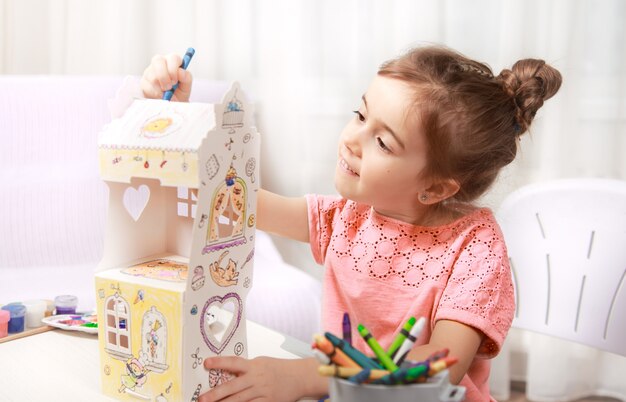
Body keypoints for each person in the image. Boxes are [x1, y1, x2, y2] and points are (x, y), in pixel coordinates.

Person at [141, 46, 562, 401]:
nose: (350, 140)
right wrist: (183, 126)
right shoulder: (348, 217)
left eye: (382, 142)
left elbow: (440, 368)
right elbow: (227, 195)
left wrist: (309, 376)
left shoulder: (476, 245)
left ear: (435, 190)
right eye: (360, 115)